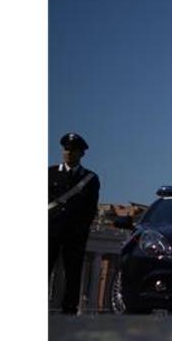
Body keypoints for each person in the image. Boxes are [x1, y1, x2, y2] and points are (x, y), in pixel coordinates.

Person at [49, 132, 100, 314]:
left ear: (81, 154)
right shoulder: (50, 173)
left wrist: (81, 229)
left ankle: (69, 309)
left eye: (73, 150)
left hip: (75, 234)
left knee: (73, 272)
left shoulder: (90, 179)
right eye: (66, 149)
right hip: (50, 231)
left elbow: (90, 209)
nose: (68, 153)